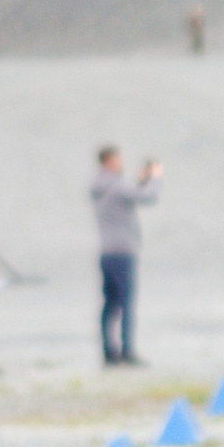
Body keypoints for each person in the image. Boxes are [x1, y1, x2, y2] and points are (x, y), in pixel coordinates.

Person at [89, 146, 160, 367]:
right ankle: (127, 350)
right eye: (119, 159)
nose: (122, 163)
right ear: (109, 161)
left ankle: (108, 351)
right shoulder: (117, 185)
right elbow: (147, 197)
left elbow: (127, 196)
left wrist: (140, 181)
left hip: (106, 251)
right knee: (126, 303)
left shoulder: (97, 185)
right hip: (123, 251)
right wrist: (154, 178)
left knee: (109, 303)